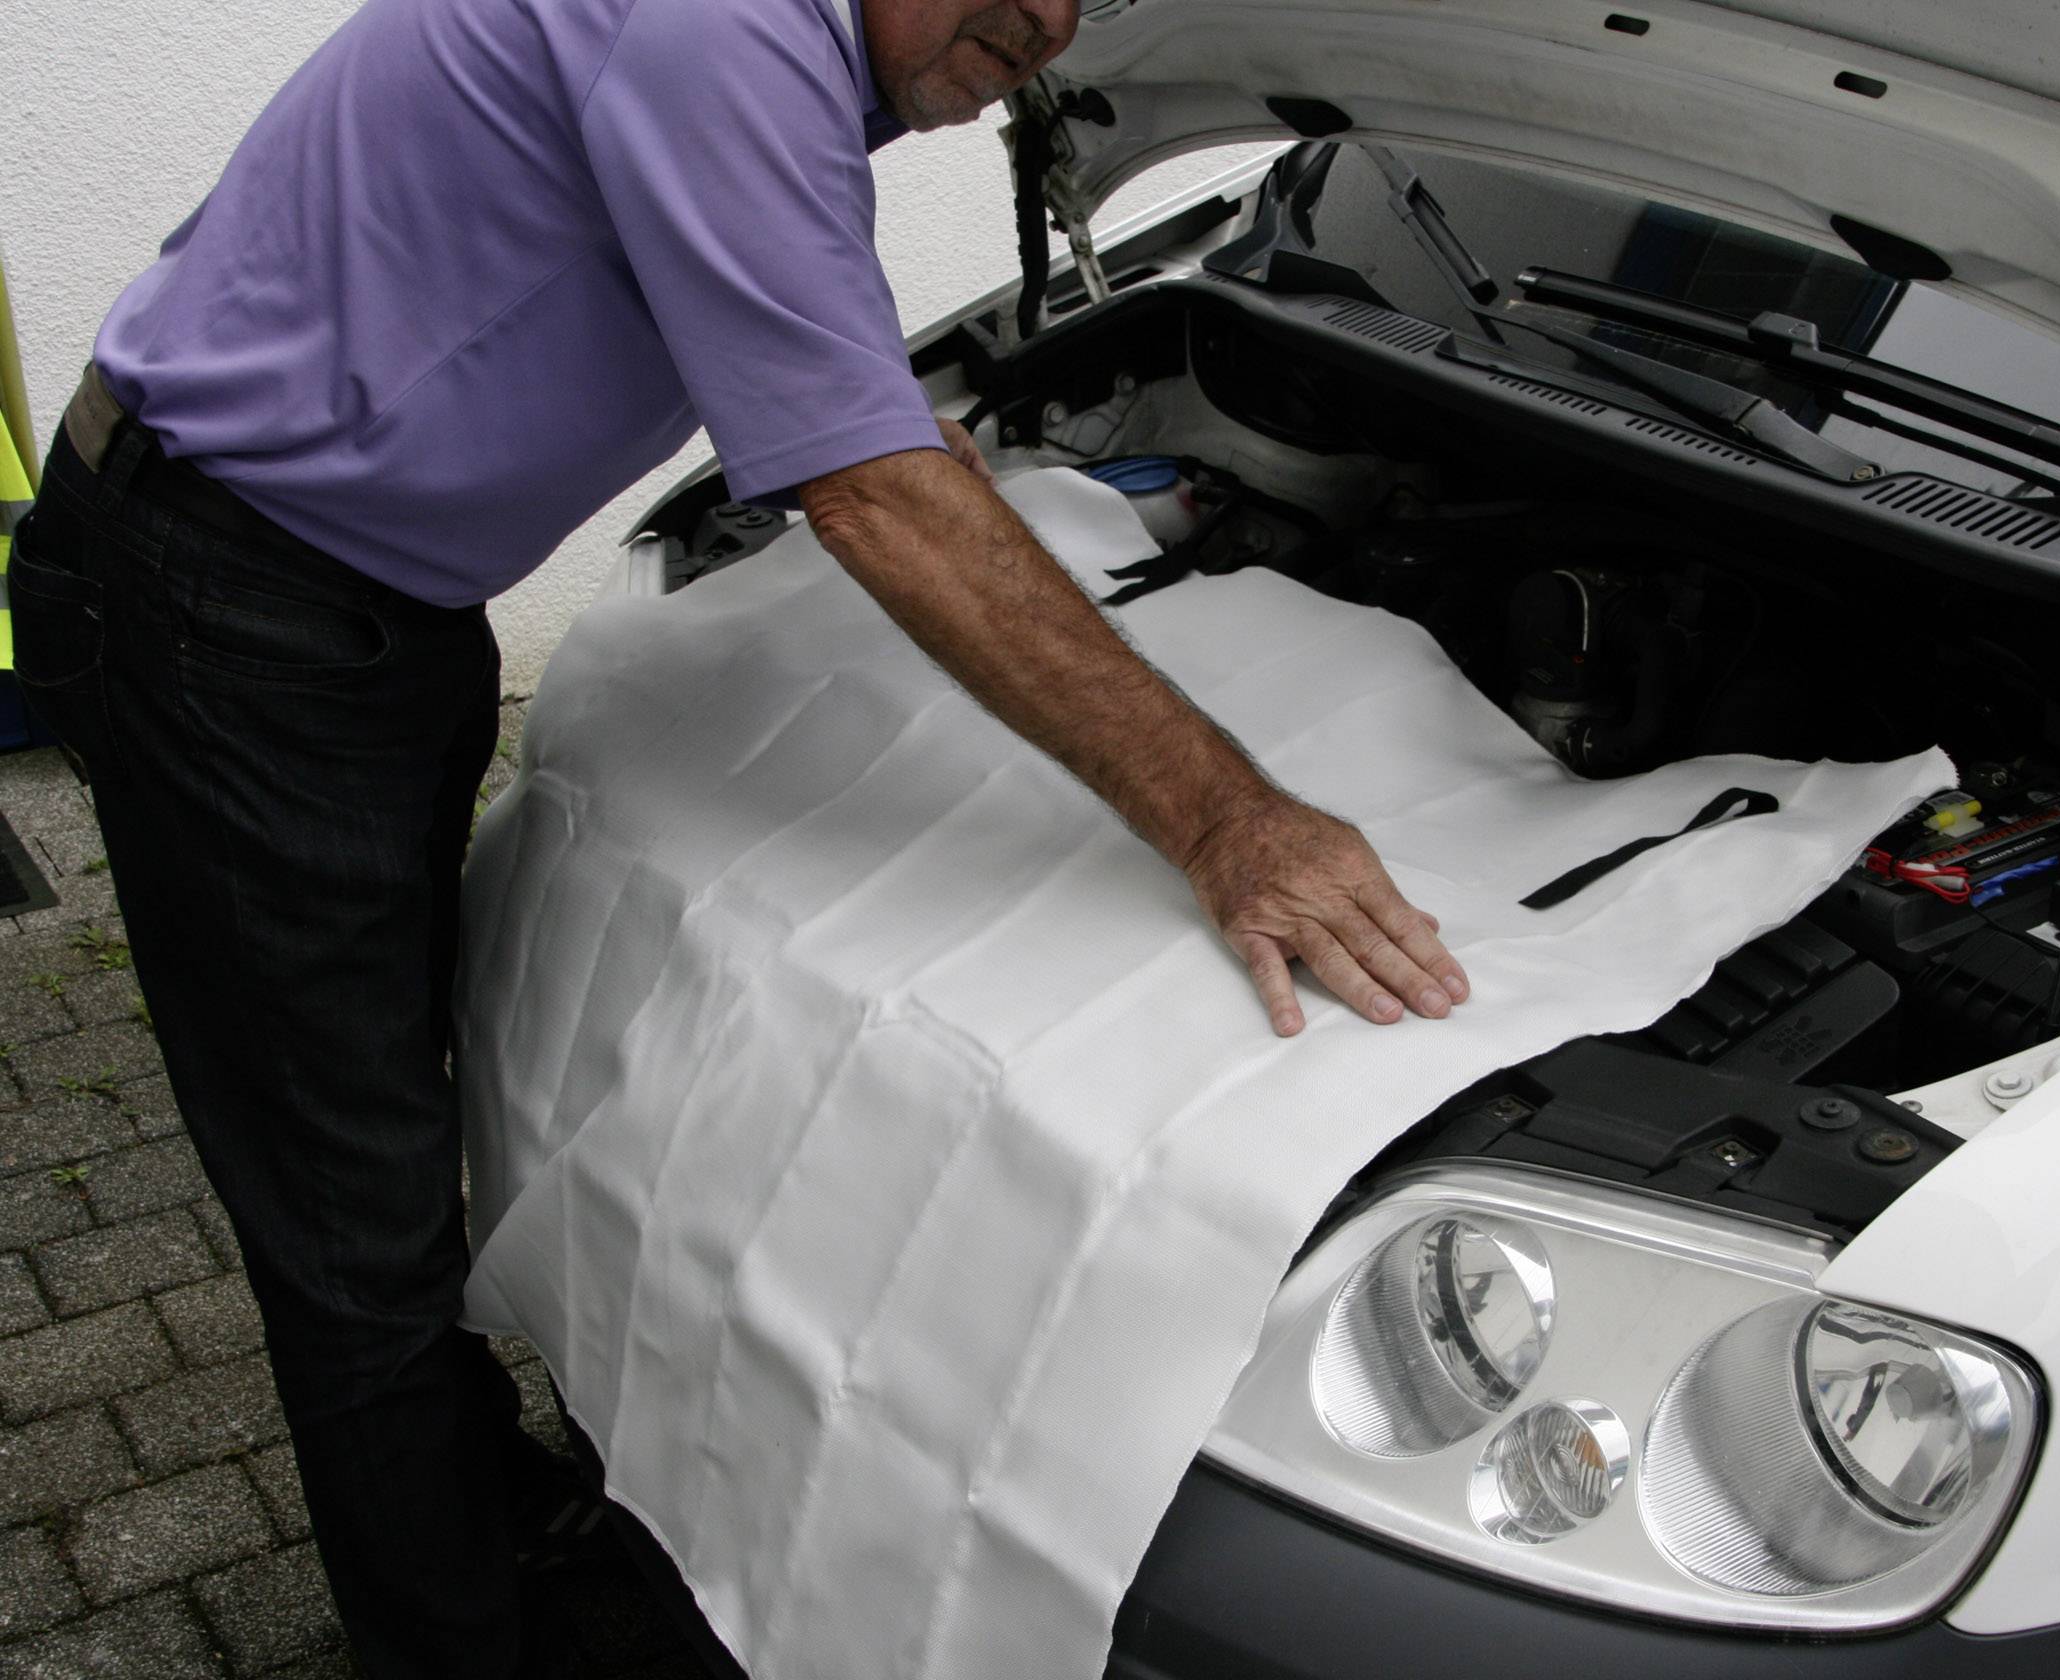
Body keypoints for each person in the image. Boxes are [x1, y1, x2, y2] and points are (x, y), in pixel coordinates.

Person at [7, 0, 1470, 1671]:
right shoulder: (721, 29)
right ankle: (458, 1632)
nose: (1040, 20)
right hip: (228, 602)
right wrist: (1228, 817)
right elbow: (869, 483)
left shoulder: (789, 54)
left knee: (376, 1138)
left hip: (357, 604)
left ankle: (462, 1497)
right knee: (350, 1227)